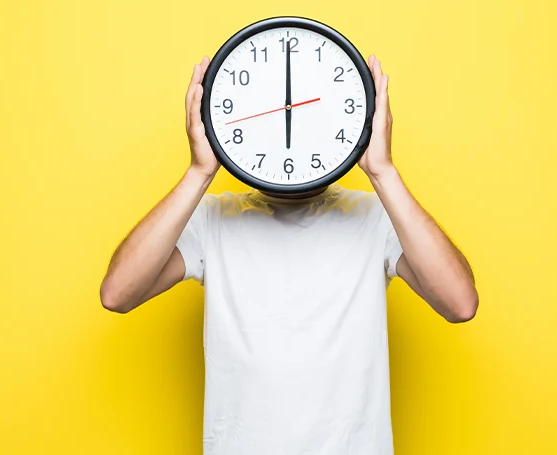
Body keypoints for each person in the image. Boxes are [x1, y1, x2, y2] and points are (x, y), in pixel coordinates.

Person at [100, 54, 478, 455]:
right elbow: (118, 293)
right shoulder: (213, 220)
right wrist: (199, 171)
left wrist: (383, 171)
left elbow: (459, 303)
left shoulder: (375, 218)